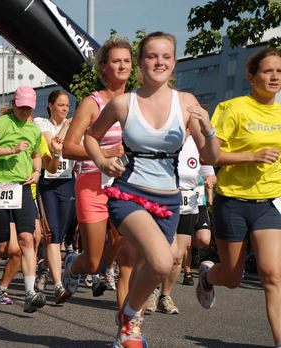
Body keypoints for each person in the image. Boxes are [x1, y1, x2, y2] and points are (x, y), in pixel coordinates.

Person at [83, 32, 219, 347]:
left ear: (174, 62)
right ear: (141, 62)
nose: (159, 62)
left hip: (168, 201)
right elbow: (91, 136)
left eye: (166, 57)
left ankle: (128, 330)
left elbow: (210, 157)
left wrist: (208, 129)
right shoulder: (123, 102)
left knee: (154, 264)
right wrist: (102, 161)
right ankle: (129, 320)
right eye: (152, 56)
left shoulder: (186, 103)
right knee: (161, 261)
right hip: (129, 194)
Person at [196, 47, 281, 347]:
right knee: (232, 277)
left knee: (273, 275)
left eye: (279, 72)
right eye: (268, 71)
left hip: (269, 203)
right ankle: (208, 276)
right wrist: (252, 156)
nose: (274, 77)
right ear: (251, 76)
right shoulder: (233, 108)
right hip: (232, 201)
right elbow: (211, 154)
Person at [62, 37, 134, 305]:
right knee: (93, 262)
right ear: (103, 67)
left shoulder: (137, 102)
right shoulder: (92, 103)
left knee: (127, 255)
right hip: (93, 182)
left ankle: (127, 328)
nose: (122, 65)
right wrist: (105, 153)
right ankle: (72, 265)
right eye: (116, 61)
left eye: (127, 61)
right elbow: (68, 148)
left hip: (126, 185)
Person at [0, 85, 45, 314]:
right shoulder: (1, 124)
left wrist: (37, 172)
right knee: (2, 242)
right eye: (22, 106)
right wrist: (12, 149)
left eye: (29, 107)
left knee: (27, 238)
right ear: (15, 104)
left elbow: (36, 156)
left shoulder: (34, 130)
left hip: (23, 187)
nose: (25, 111)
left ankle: (29, 293)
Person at [145, 133, 215, 314]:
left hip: (189, 203)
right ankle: (151, 290)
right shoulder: (164, 137)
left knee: (177, 257)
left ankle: (165, 296)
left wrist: (210, 181)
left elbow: (210, 174)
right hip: (165, 199)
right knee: (163, 252)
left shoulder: (199, 143)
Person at [33, 90, 76, 303]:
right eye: (60, 105)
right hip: (48, 183)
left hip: (68, 182)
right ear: (50, 105)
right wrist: (68, 126)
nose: (65, 109)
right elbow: (53, 145)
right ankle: (58, 286)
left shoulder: (75, 126)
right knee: (53, 234)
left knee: (62, 235)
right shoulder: (41, 123)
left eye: (67, 106)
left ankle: (44, 265)